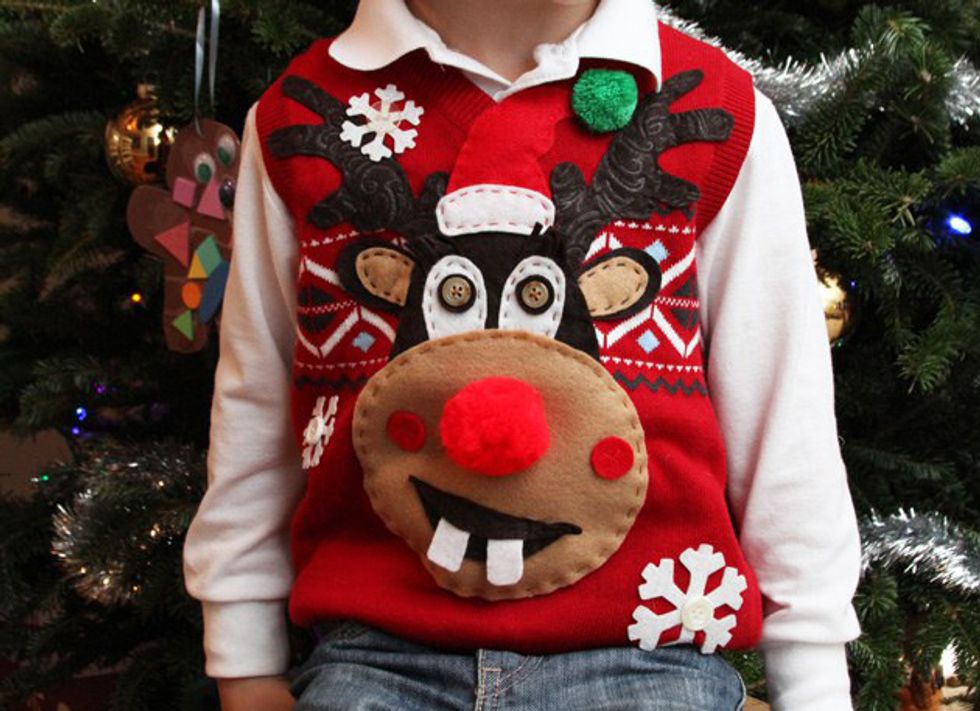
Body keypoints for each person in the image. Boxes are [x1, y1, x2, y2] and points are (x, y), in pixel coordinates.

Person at [182, 1, 864, 709]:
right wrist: (245, 666)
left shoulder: (719, 111)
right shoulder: (296, 118)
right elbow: (256, 406)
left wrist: (812, 682)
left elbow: (784, 420)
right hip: (379, 657)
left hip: (649, 656)